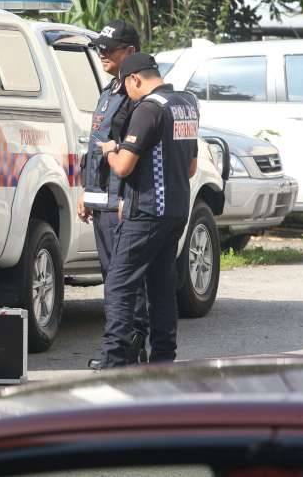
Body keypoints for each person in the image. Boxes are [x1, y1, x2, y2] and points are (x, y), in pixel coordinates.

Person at [96, 52, 200, 368]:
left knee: (119, 283)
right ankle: (163, 359)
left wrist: (110, 151)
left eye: (126, 88)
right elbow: (192, 166)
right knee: (161, 285)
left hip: (147, 211)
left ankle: (114, 360)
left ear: (134, 79)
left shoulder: (148, 109)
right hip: (177, 210)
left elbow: (125, 167)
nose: (127, 96)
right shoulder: (186, 104)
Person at [77, 20, 150, 369]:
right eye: (100, 48)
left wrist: (124, 198)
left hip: (121, 202)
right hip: (101, 199)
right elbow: (96, 148)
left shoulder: (137, 99)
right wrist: (85, 190)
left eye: (111, 49)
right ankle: (124, 347)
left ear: (131, 52)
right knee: (113, 279)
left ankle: (128, 348)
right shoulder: (109, 92)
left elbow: (132, 155)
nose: (103, 54)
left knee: (125, 281)